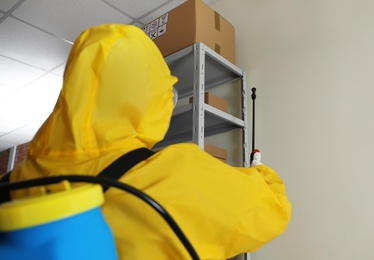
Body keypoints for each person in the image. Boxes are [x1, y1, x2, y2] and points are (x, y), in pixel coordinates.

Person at [9, 24, 291, 259]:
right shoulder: (175, 175)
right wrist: (262, 173)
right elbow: (272, 209)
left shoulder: (18, 177)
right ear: (152, 97)